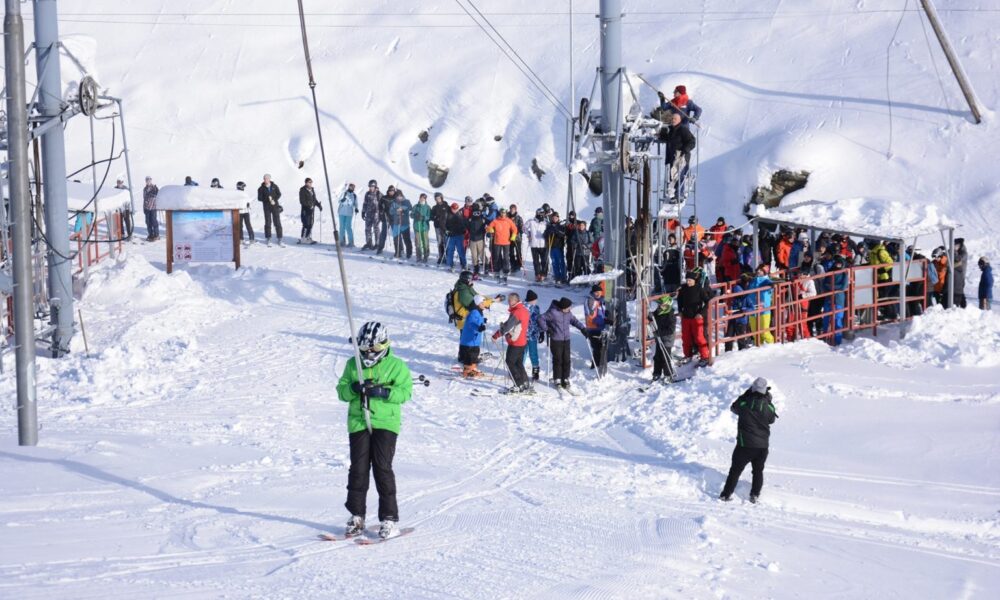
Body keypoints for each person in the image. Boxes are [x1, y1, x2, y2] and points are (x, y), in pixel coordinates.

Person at [336, 321, 413, 540]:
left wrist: (384, 392)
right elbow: (341, 392)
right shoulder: (354, 365)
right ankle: (356, 515)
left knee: (382, 467)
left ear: (384, 345)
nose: (369, 353)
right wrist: (353, 388)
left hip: (386, 422)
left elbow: (406, 392)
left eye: (374, 349)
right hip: (359, 421)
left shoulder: (396, 366)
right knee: (358, 469)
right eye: (365, 349)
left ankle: (389, 518)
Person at [719, 377, 777, 504]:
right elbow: (772, 419)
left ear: (752, 388)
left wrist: (745, 395)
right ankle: (754, 495)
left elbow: (734, 407)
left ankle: (726, 494)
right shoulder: (768, 406)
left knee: (735, 471)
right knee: (758, 471)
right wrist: (767, 399)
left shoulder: (744, 403)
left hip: (744, 445)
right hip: (762, 447)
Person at [538, 297, 587, 390]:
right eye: (568, 307)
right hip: (556, 340)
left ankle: (565, 378)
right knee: (558, 360)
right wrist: (547, 329)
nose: (570, 309)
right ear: (563, 307)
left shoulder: (568, 313)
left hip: (566, 339)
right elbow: (541, 318)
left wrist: (583, 329)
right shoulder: (553, 312)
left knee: (566, 360)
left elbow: (575, 321)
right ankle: (557, 379)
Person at [492, 292, 532, 393]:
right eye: (508, 300)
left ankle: (518, 385)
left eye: (510, 300)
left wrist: (496, 335)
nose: (508, 302)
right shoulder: (523, 310)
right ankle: (525, 382)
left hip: (515, 342)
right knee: (518, 363)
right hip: (522, 341)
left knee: (510, 362)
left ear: (515, 300)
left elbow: (507, 327)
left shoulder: (517, 312)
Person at [677, 270, 711, 366]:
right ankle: (687, 355)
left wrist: (701, 313)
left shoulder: (699, 289)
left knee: (699, 338)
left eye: (690, 280)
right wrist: (680, 311)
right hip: (686, 317)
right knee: (686, 338)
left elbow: (708, 302)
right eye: (687, 280)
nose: (688, 282)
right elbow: (679, 301)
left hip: (697, 317)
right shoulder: (683, 289)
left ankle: (705, 356)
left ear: (694, 280)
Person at [664, 112, 696, 200]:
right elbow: (668, 139)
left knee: (680, 175)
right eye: (672, 119)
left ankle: (679, 195)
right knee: (674, 175)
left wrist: (685, 150)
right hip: (673, 156)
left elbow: (692, 141)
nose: (672, 120)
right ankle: (676, 194)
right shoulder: (671, 129)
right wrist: (661, 135)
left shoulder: (683, 129)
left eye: (674, 119)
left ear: (679, 120)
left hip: (682, 156)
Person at [648, 295, 677, 382]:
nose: (661, 306)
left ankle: (668, 374)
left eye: (663, 305)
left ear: (668, 305)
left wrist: (659, 333)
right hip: (659, 338)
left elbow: (671, 330)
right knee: (657, 356)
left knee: (665, 357)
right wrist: (650, 316)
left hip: (667, 338)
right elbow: (653, 316)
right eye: (660, 305)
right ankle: (656, 373)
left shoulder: (670, 315)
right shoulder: (659, 311)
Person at [459, 295, 489, 377]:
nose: (484, 305)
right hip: (469, 341)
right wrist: (479, 328)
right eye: (482, 303)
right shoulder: (474, 312)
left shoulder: (478, 312)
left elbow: (478, 319)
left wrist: (483, 320)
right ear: (478, 304)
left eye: (484, 303)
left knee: (474, 355)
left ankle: (472, 369)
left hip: (474, 340)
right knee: (470, 356)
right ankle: (467, 371)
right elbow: (471, 323)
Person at [486, 208, 517, 284]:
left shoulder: (509, 221)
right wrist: (491, 229)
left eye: (504, 213)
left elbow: (515, 229)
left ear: (506, 213)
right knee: (497, 257)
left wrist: (513, 236)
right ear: (500, 213)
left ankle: (505, 272)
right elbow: (488, 227)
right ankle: (497, 271)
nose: (503, 214)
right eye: (502, 213)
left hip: (506, 242)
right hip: (497, 242)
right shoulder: (496, 220)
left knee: (506, 257)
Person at [746, 265, 775, 345]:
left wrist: (772, 284)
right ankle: (758, 348)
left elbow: (771, 283)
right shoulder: (753, 280)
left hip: (763, 309)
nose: (758, 272)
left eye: (761, 270)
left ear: (765, 272)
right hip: (753, 308)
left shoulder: (765, 280)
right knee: (755, 333)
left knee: (764, 332)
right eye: (758, 270)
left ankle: (772, 345)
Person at [584, 284, 608, 375]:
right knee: (597, 349)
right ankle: (594, 367)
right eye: (596, 292)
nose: (597, 293)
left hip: (600, 328)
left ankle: (599, 367)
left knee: (600, 348)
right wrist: (605, 321)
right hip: (593, 328)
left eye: (599, 292)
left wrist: (606, 316)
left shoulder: (600, 300)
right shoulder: (591, 301)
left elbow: (601, 313)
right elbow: (591, 316)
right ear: (593, 292)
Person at [258, 174, 283, 247]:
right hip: (266, 207)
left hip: (275, 206)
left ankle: (280, 238)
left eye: (267, 178)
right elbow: (259, 198)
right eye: (264, 179)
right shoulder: (261, 188)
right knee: (268, 222)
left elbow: (279, 194)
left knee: (277, 222)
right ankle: (268, 238)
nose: (265, 180)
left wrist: (274, 199)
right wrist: (266, 199)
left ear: (269, 179)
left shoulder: (274, 186)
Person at [526, 208, 549, 282]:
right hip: (534, 244)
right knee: (536, 261)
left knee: (544, 261)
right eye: (540, 213)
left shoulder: (546, 222)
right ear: (537, 213)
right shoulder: (531, 221)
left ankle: (544, 274)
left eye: (543, 214)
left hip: (544, 244)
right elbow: (524, 227)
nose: (542, 215)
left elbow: (550, 230)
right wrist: (528, 233)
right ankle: (537, 274)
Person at [524, 289, 542, 381]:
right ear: (531, 299)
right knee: (522, 353)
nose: (536, 301)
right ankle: (520, 370)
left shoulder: (536, 308)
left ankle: (535, 370)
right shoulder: (523, 307)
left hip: (533, 334)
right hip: (523, 335)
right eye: (535, 299)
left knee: (533, 353)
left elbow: (539, 320)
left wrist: (541, 331)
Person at [467, 201, 488, 278]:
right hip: (475, 238)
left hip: (477, 239)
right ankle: (478, 269)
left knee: (478, 255)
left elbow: (468, 226)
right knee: (476, 255)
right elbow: (468, 226)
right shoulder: (478, 216)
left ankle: (483, 268)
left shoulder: (475, 216)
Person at [546, 212, 568, 284]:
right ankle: (557, 277)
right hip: (552, 246)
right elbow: (545, 234)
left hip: (559, 247)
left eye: (556, 217)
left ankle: (563, 277)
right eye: (553, 218)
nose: (555, 219)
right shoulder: (549, 225)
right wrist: (548, 232)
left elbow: (563, 234)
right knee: (554, 262)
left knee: (561, 262)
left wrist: (557, 231)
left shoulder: (561, 226)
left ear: (558, 218)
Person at [391, 189, 413, 260]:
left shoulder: (406, 201)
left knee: (406, 239)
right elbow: (391, 211)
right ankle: (398, 252)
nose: (399, 197)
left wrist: (402, 208)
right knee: (396, 238)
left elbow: (410, 207)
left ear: (402, 195)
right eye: (397, 196)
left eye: (400, 196)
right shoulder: (394, 202)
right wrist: (396, 210)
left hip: (405, 224)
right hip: (396, 223)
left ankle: (409, 253)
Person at [298, 177, 321, 245]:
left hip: (311, 210)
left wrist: (318, 205)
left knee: (310, 224)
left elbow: (314, 199)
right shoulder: (302, 190)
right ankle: (303, 238)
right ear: (306, 183)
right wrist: (309, 205)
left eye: (311, 182)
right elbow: (302, 201)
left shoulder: (312, 190)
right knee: (306, 224)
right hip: (306, 209)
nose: (310, 183)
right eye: (309, 182)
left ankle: (307, 237)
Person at [376, 186, 396, 255]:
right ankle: (380, 248)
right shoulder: (384, 198)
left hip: (394, 219)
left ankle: (399, 249)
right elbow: (379, 206)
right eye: (390, 191)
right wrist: (381, 210)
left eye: (392, 191)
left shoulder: (396, 198)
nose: (391, 192)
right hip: (386, 218)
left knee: (396, 234)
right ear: (388, 191)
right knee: (383, 233)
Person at [361, 180, 381, 251]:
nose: (370, 188)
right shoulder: (367, 193)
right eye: (370, 186)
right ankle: (369, 243)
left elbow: (382, 204)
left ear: (375, 186)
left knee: (376, 229)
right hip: (368, 213)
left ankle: (377, 244)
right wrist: (363, 212)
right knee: (367, 229)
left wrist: (382, 213)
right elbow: (365, 203)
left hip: (376, 214)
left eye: (372, 186)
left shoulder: (379, 194)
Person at [412, 193, 432, 263]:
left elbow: (430, 217)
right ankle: (418, 256)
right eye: (421, 197)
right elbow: (411, 214)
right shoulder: (415, 206)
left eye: (424, 198)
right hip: (417, 227)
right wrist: (415, 216)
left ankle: (426, 255)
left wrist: (424, 217)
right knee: (418, 242)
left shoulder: (427, 207)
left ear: (425, 199)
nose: (422, 199)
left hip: (424, 227)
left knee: (425, 242)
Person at [431, 193, 450, 265]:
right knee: (439, 242)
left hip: (445, 227)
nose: (438, 199)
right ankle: (441, 257)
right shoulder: (434, 207)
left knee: (446, 242)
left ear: (442, 198)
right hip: (438, 227)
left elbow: (450, 216)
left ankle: (448, 257)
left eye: (439, 198)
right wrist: (435, 217)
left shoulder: (446, 206)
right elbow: (431, 216)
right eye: (436, 198)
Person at [337, 183, 358, 248]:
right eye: (350, 187)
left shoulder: (354, 195)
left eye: (353, 187)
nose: (351, 188)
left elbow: (356, 203)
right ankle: (342, 241)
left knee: (348, 227)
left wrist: (356, 208)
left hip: (349, 213)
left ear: (354, 188)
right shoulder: (344, 193)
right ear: (349, 187)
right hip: (342, 212)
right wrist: (342, 200)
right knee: (342, 227)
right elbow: (339, 200)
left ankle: (351, 242)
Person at [142, 176, 159, 241]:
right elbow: (144, 198)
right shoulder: (145, 189)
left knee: (153, 221)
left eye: (149, 180)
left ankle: (156, 235)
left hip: (153, 208)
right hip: (147, 208)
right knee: (148, 222)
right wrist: (144, 207)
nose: (148, 182)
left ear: (151, 181)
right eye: (147, 180)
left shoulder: (154, 187)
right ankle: (150, 234)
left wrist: (153, 192)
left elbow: (156, 194)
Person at [509, 204, 524, 273]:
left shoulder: (518, 218)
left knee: (518, 251)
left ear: (515, 210)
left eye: (513, 209)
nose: (512, 210)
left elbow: (521, 227)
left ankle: (519, 264)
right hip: (509, 237)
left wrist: (518, 231)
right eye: (511, 209)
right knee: (511, 252)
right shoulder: (507, 217)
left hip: (517, 238)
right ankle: (512, 264)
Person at [953, 238, 968, 308]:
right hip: (956, 275)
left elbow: (959, 259)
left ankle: (963, 305)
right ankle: (962, 306)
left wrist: (954, 251)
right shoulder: (958, 252)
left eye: (956, 244)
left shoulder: (964, 253)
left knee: (959, 291)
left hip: (961, 276)